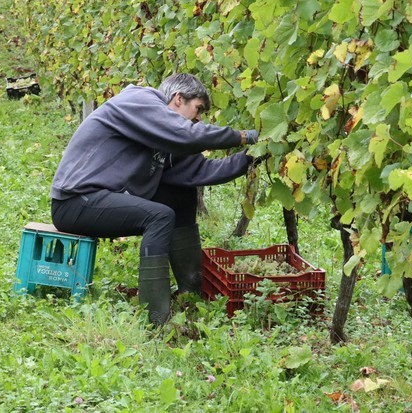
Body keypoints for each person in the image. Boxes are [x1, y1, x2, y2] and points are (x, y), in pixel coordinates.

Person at [50, 73, 259, 325]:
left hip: (102, 199)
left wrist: (249, 156)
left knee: (181, 193)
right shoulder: (140, 100)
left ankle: (191, 291)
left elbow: (200, 172)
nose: (199, 118)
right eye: (198, 109)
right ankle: (156, 317)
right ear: (178, 99)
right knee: (159, 216)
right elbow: (190, 135)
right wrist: (245, 136)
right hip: (76, 202)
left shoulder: (163, 136)